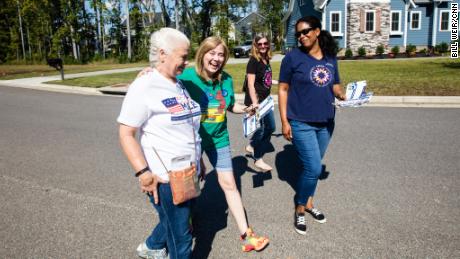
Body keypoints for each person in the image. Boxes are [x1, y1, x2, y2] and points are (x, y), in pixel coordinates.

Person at [178, 36, 269, 252]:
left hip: (219, 139)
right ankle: (185, 223)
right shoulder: (187, 77)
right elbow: (164, 83)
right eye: (212, 53)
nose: (216, 58)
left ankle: (247, 235)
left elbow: (230, 106)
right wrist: (148, 74)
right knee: (190, 186)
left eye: (221, 55)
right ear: (203, 53)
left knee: (229, 184)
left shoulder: (225, 79)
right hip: (193, 141)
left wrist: (245, 109)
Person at [118, 28, 202, 259]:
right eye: (183, 56)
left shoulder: (177, 83)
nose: (186, 62)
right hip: (165, 177)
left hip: (188, 170)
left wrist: (199, 160)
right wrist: (143, 173)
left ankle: (153, 246)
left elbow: (188, 128)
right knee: (182, 236)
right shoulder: (144, 86)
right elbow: (126, 133)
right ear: (163, 53)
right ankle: (158, 248)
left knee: (176, 220)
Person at [278, 16, 346, 235]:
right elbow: (283, 89)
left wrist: (344, 95)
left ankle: (309, 202)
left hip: (326, 121)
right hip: (301, 121)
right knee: (313, 168)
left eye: (306, 31)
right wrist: (284, 121)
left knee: (313, 166)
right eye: (298, 34)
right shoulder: (292, 57)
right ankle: (300, 207)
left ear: (317, 31)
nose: (302, 36)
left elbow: (335, 84)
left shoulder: (329, 58)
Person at [243, 35, 276, 172]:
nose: (263, 46)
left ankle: (252, 145)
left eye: (265, 43)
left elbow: (266, 80)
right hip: (256, 101)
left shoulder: (265, 59)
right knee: (263, 129)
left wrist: (280, 83)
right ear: (255, 45)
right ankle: (258, 158)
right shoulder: (253, 61)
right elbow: (251, 85)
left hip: (266, 100)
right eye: (260, 44)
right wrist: (255, 103)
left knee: (271, 128)